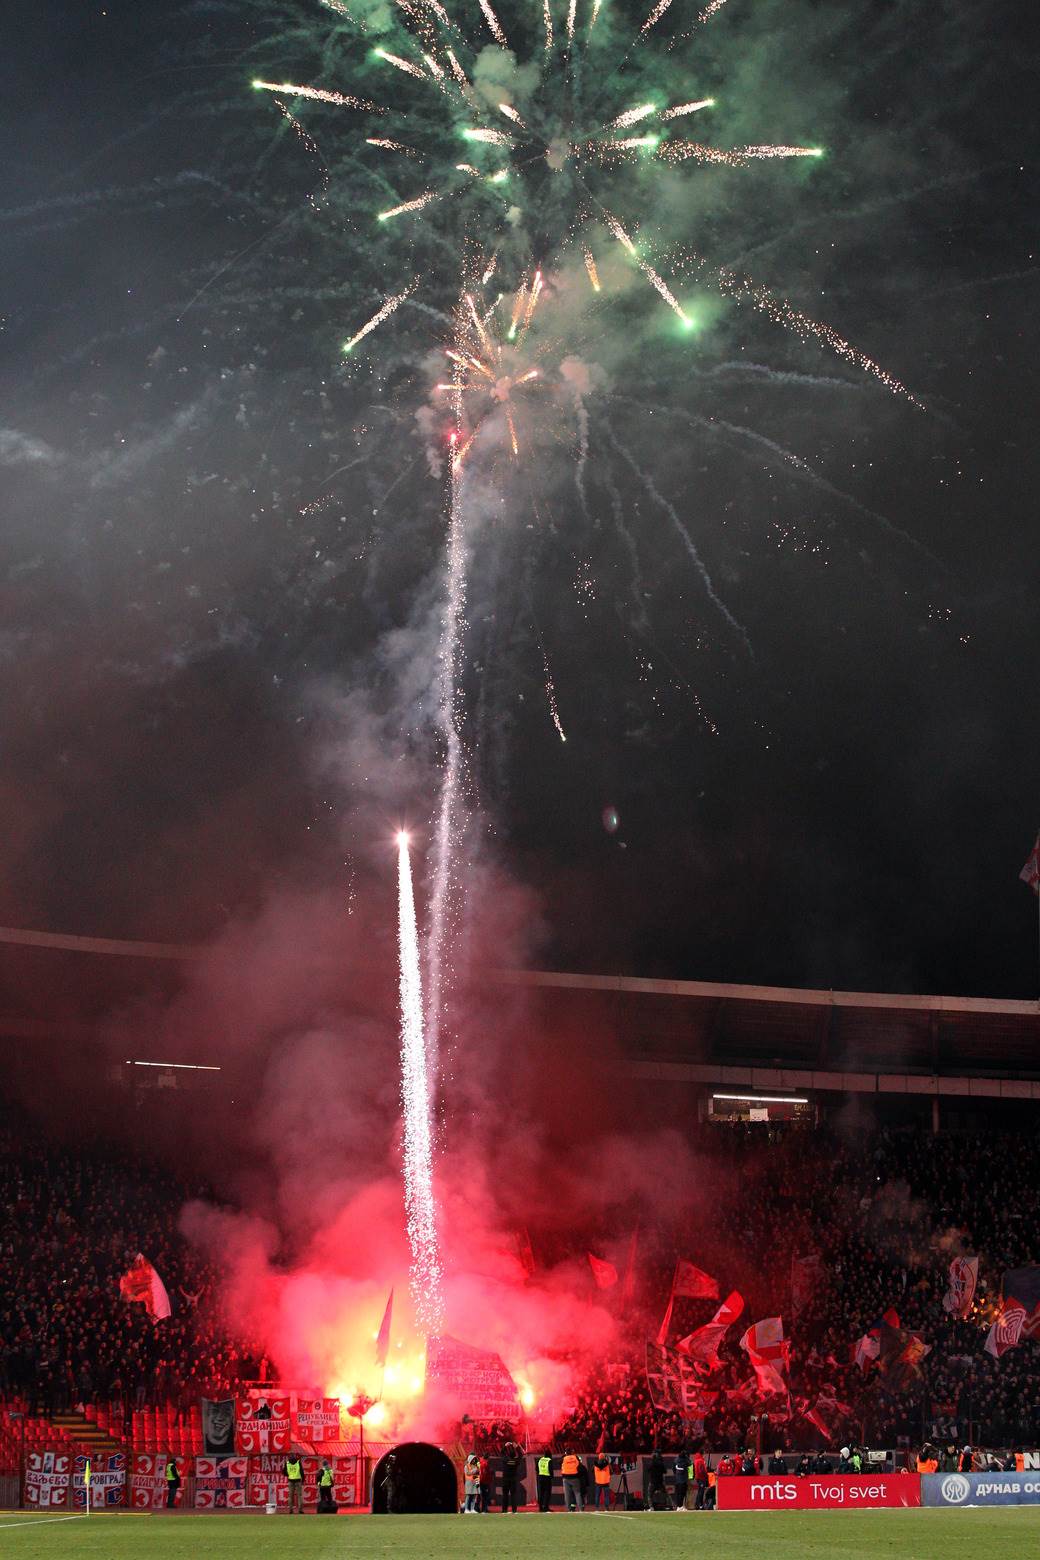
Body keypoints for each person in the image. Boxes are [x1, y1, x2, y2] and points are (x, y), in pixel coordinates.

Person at [500, 1441, 521, 1513]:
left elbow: (502, 1453)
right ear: (515, 1455)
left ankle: (504, 1510)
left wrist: (505, 1446)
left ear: (508, 1454)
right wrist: (517, 1447)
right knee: (513, 1495)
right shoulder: (516, 1461)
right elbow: (521, 1455)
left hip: (505, 1480)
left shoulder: (505, 1460)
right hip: (513, 1480)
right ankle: (514, 1510)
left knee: (505, 1495)